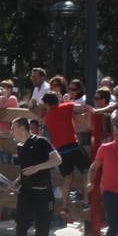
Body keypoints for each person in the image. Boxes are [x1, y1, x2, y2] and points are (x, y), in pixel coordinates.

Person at [10, 116, 61, 236]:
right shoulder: (20, 146)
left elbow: (57, 160)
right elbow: (25, 169)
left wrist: (37, 168)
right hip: (26, 193)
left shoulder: (41, 142)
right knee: (21, 226)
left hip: (43, 193)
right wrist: (17, 181)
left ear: (22, 129)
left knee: (42, 229)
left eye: (13, 128)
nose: (11, 131)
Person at [39, 92, 91, 224]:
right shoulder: (67, 106)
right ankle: (86, 201)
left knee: (67, 177)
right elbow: (82, 107)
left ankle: (64, 206)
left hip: (60, 150)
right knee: (87, 170)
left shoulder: (47, 118)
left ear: (47, 104)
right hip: (72, 146)